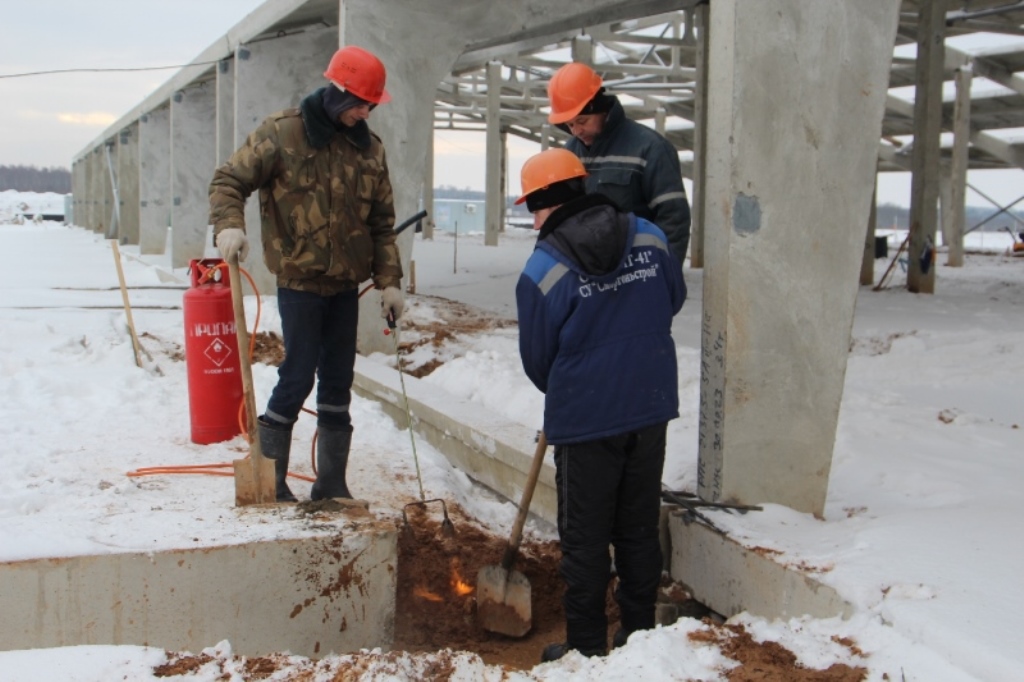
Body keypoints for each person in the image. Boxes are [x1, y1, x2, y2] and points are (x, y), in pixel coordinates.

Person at [208, 45, 404, 502]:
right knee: (297, 375)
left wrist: (390, 281)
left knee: (338, 380)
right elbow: (228, 181)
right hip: (298, 282)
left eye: (372, 104)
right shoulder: (282, 134)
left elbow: (381, 222)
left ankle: (331, 484)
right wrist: (230, 225)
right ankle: (271, 481)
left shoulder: (370, 150)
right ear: (338, 91)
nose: (366, 111)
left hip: (343, 285)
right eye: (360, 102)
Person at [514, 149, 686, 661]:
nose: (533, 220)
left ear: (545, 203)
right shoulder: (651, 237)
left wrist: (578, 385)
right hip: (650, 403)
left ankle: (585, 650)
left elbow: (537, 360)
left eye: (531, 208)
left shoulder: (543, 269)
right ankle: (638, 641)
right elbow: (670, 299)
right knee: (637, 526)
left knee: (585, 540)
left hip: (587, 418)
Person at [547, 62, 692, 265]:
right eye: (570, 124)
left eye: (582, 121)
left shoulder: (650, 148)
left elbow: (673, 219)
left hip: (638, 271)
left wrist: (666, 275)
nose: (576, 131)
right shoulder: (569, 152)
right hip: (588, 273)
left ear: (601, 108)